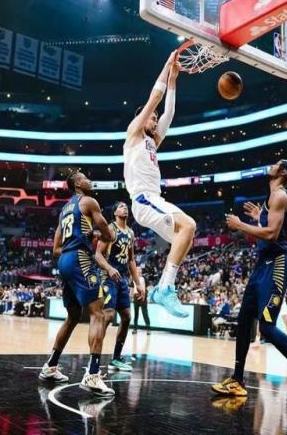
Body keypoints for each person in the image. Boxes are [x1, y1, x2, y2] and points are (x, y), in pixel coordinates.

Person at [212, 160, 287, 410]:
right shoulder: (271, 199)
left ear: (283, 172)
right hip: (261, 265)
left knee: (266, 327)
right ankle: (237, 380)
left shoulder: (280, 196)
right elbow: (270, 228)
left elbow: (271, 234)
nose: (271, 165)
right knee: (244, 320)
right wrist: (260, 217)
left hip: (276, 264)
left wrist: (240, 225)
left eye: (276, 164)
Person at [124, 51, 195, 318]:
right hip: (143, 199)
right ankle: (166, 288)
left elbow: (169, 113)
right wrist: (166, 66)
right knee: (188, 225)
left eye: (155, 118)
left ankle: (161, 289)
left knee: (186, 237)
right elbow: (155, 99)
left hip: (154, 199)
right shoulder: (133, 134)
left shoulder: (152, 142)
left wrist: (174, 80)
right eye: (151, 118)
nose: (154, 120)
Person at [39, 171, 115, 397]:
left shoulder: (64, 210)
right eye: (85, 178)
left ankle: (51, 366)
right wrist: (96, 236)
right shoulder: (89, 201)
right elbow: (109, 234)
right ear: (78, 184)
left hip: (64, 261)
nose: (89, 180)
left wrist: (84, 237)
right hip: (80, 259)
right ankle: (92, 374)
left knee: (73, 317)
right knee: (98, 314)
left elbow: (56, 249)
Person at [95, 201, 145, 372]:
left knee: (127, 317)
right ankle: (95, 359)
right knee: (108, 316)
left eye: (126, 206)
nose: (125, 208)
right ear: (115, 212)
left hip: (121, 279)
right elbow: (97, 254)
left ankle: (116, 358)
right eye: (121, 206)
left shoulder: (130, 233)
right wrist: (109, 268)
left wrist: (138, 284)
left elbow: (131, 260)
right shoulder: (110, 229)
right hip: (107, 277)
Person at [132, 267, 151, 335]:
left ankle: (148, 329)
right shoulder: (133, 278)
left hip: (143, 297)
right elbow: (132, 288)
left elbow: (149, 287)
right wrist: (131, 296)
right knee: (136, 314)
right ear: (136, 270)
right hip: (135, 297)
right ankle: (135, 329)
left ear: (141, 270)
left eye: (140, 269)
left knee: (145, 313)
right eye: (137, 269)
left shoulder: (144, 278)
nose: (139, 270)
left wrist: (146, 295)